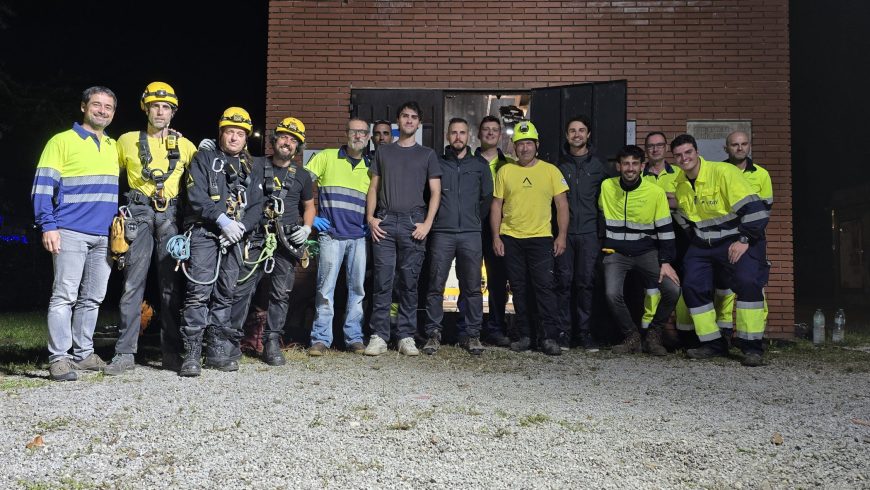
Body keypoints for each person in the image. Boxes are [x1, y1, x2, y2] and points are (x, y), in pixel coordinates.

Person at [106, 82, 197, 375]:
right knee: (133, 284)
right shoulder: (126, 141)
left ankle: (171, 352)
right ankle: (124, 353)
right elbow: (107, 175)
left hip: (170, 215)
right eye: (155, 106)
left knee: (171, 286)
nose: (160, 111)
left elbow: (202, 180)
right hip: (139, 213)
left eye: (166, 107)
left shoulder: (186, 146)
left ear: (173, 113)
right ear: (145, 108)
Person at [31, 86, 119, 381]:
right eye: (97, 105)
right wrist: (48, 225)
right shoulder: (61, 141)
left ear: (113, 112)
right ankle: (59, 358)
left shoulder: (113, 146)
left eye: (108, 107)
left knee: (93, 298)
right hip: (69, 230)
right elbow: (42, 186)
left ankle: (83, 355)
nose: (102, 111)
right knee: (64, 296)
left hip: (105, 235)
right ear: (84, 107)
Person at [178, 107, 264, 376]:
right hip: (204, 233)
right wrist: (222, 221)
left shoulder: (251, 167)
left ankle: (216, 351)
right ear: (220, 133)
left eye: (240, 133)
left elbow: (257, 206)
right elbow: (196, 195)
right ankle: (192, 354)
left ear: (246, 137)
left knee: (226, 294)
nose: (234, 137)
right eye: (230, 132)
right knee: (199, 292)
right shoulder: (204, 158)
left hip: (235, 238)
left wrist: (241, 227)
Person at [671, 134, 769, 366]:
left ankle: (752, 347)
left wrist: (744, 239)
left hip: (737, 239)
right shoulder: (681, 183)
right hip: (704, 244)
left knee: (747, 282)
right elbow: (684, 217)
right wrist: (697, 240)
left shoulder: (724, 172)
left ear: (697, 152)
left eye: (688, 152)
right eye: (678, 155)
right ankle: (713, 344)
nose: (684, 158)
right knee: (692, 285)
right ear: (674, 159)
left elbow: (756, 210)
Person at [229, 117, 314, 366]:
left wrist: (307, 228)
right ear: (274, 139)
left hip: (285, 240)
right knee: (243, 288)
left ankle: (272, 342)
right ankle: (231, 340)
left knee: (280, 293)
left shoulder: (302, 176)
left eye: (293, 140)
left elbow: (309, 206)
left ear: (298, 147)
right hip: (256, 236)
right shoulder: (254, 164)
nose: (287, 142)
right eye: (284, 136)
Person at [365, 101, 442, 356]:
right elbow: (373, 187)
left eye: (413, 117)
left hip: (413, 223)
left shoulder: (427, 154)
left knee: (409, 282)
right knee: (383, 281)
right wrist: (370, 218)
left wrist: (427, 223)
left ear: (418, 123)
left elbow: (436, 192)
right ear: (398, 121)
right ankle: (379, 336)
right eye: (405, 116)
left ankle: (406, 336)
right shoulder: (384, 152)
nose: (409, 120)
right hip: (385, 223)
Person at [490, 121, 569, 356]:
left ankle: (549, 338)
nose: (524, 148)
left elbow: (562, 206)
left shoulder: (551, 171)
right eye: (520, 144)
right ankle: (525, 336)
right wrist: (496, 236)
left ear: (537, 145)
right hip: (511, 238)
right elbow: (497, 206)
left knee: (544, 289)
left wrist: (561, 236)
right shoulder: (505, 171)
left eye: (528, 143)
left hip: (541, 239)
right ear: (514, 147)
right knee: (519, 288)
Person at [600, 145, 680, 355]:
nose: (630, 168)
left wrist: (666, 261)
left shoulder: (655, 192)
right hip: (616, 253)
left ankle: (654, 334)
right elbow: (599, 211)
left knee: (673, 290)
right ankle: (632, 336)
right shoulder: (607, 187)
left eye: (635, 164)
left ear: (642, 166)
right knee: (611, 293)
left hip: (646, 253)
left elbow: (665, 229)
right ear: (618, 166)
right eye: (626, 164)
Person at [423, 118, 493, 356]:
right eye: (454, 132)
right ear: (447, 135)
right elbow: (428, 195)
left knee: (472, 287)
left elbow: (487, 198)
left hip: (471, 234)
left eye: (462, 133)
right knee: (435, 285)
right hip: (442, 233)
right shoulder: (437, 163)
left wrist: (474, 219)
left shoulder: (480, 165)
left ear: (469, 135)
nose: (458, 137)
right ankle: (433, 334)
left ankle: (472, 334)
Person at [305, 118, 371, 355]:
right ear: (346, 134)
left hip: (359, 237)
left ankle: (354, 337)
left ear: (368, 137)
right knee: (325, 289)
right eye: (354, 132)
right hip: (331, 235)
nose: (358, 136)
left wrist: (370, 221)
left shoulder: (371, 167)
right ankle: (320, 339)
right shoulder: (327, 157)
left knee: (357, 290)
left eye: (362, 132)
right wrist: (311, 217)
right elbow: (301, 185)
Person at [554, 115, 616, 350]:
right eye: (572, 130)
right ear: (566, 135)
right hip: (565, 234)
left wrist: (604, 233)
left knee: (586, 283)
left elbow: (607, 201)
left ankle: (585, 333)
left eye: (581, 130)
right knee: (563, 283)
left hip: (590, 234)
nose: (577, 134)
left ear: (588, 134)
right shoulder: (558, 166)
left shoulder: (599, 166)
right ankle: (563, 333)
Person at [470, 115, 514, 347]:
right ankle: (471, 329)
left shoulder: (510, 165)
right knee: (470, 280)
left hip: (499, 230)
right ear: (479, 134)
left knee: (497, 281)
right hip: (472, 228)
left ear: (500, 135)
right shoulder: (467, 162)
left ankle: (496, 328)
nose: (489, 133)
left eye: (494, 130)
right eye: (485, 129)